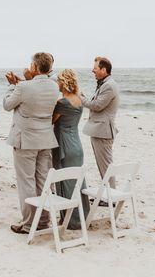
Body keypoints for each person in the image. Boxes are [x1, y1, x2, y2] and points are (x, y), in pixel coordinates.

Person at [4, 52, 59, 234]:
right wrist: (22, 83)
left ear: (34, 67)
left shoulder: (23, 87)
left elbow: (7, 104)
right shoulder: (54, 86)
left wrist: (13, 85)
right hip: (45, 139)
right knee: (43, 180)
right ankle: (43, 220)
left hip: (26, 140)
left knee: (26, 181)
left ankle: (28, 224)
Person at [52, 69, 90, 229]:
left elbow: (51, 120)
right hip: (76, 144)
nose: (57, 84)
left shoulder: (62, 103)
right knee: (77, 183)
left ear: (64, 83)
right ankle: (81, 217)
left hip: (64, 145)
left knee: (65, 183)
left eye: (59, 81)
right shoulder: (79, 100)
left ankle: (70, 221)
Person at [81, 57, 120, 188]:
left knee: (106, 166)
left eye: (95, 68)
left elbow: (97, 105)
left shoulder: (109, 85)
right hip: (100, 131)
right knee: (104, 166)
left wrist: (80, 97)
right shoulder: (105, 84)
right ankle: (108, 194)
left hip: (103, 132)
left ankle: (111, 196)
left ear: (104, 70)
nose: (93, 70)